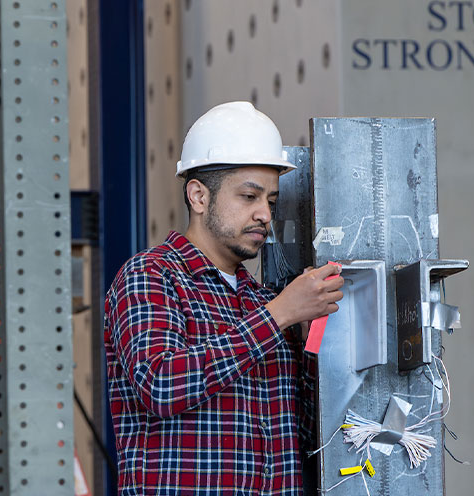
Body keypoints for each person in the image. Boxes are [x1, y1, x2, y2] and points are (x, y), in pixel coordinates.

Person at [104, 101, 343, 494]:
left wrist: (309, 343)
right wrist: (279, 315)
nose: (265, 214)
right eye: (249, 197)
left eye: (270, 200)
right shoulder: (150, 276)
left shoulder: (261, 300)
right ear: (198, 196)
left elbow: (303, 437)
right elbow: (161, 385)